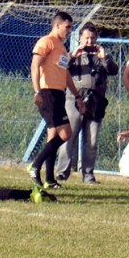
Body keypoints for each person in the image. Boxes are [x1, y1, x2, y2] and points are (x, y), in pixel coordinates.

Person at [54, 23, 118, 184]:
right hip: (75, 98)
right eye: (86, 38)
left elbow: (114, 70)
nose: (89, 41)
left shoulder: (102, 56)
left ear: (97, 39)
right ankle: (62, 172)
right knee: (69, 136)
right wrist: (73, 56)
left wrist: (105, 58)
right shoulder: (72, 55)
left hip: (95, 101)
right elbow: (60, 68)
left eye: (92, 38)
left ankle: (88, 175)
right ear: (80, 39)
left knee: (92, 139)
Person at [28, 11, 86, 189]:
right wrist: (37, 91)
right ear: (57, 25)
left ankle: (49, 179)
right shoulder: (46, 42)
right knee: (66, 133)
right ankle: (35, 165)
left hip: (59, 94)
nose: (69, 30)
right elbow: (35, 66)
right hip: (48, 93)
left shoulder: (61, 46)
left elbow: (65, 73)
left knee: (53, 135)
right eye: (67, 27)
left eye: (71, 27)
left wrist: (77, 96)